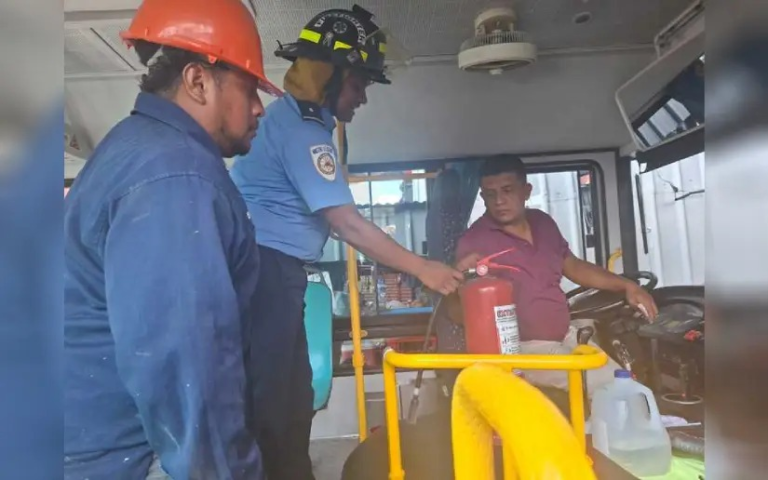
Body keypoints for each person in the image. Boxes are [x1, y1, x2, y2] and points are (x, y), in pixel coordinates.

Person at [229, 5, 466, 479]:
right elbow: (348, 224)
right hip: (268, 274)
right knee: (277, 411)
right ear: (330, 76)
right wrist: (423, 268)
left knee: (289, 404)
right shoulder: (303, 133)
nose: (362, 99)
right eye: (358, 84)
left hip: (271, 274)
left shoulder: (297, 121)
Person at [63, 1, 281, 478]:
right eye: (249, 89)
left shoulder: (135, 148)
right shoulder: (174, 174)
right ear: (198, 81)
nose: (260, 107)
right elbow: (187, 365)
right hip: (127, 456)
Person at [452, 157, 659, 394]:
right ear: (482, 197)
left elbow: (572, 265)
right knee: (620, 391)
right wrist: (460, 283)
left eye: (507, 190)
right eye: (490, 194)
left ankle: (596, 429)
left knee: (625, 383)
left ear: (526, 191)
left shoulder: (543, 222)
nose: (499, 201)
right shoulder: (475, 241)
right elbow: (459, 310)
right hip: (524, 350)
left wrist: (627, 286)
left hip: (567, 336)